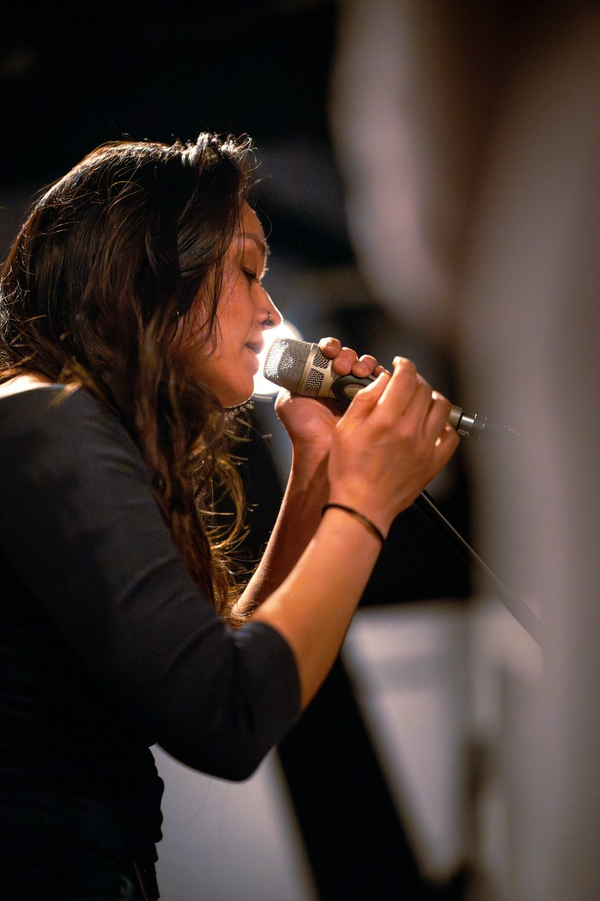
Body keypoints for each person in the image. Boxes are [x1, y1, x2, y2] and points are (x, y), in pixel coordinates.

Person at [0, 132, 459, 901]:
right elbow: (227, 714)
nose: (271, 310)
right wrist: (367, 499)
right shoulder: (49, 423)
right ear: (153, 272)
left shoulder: (58, 425)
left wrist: (317, 471)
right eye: (247, 270)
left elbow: (240, 671)